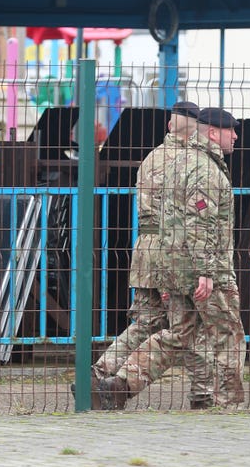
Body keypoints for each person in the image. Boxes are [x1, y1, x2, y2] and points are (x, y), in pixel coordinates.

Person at [97, 107, 246, 411]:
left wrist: (167, 270)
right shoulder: (204, 169)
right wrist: (206, 270)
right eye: (231, 130)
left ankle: (120, 384)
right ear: (213, 133)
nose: (236, 136)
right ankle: (226, 403)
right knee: (227, 334)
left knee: (179, 334)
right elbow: (199, 222)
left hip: (171, 264)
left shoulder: (173, 162)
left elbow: (166, 220)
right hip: (205, 268)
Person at [71, 101, 203, 409]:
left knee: (145, 322)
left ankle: (96, 375)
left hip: (145, 249)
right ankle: (122, 384)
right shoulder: (189, 162)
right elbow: (183, 217)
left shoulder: (152, 158)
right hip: (170, 249)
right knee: (184, 326)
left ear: (170, 126)